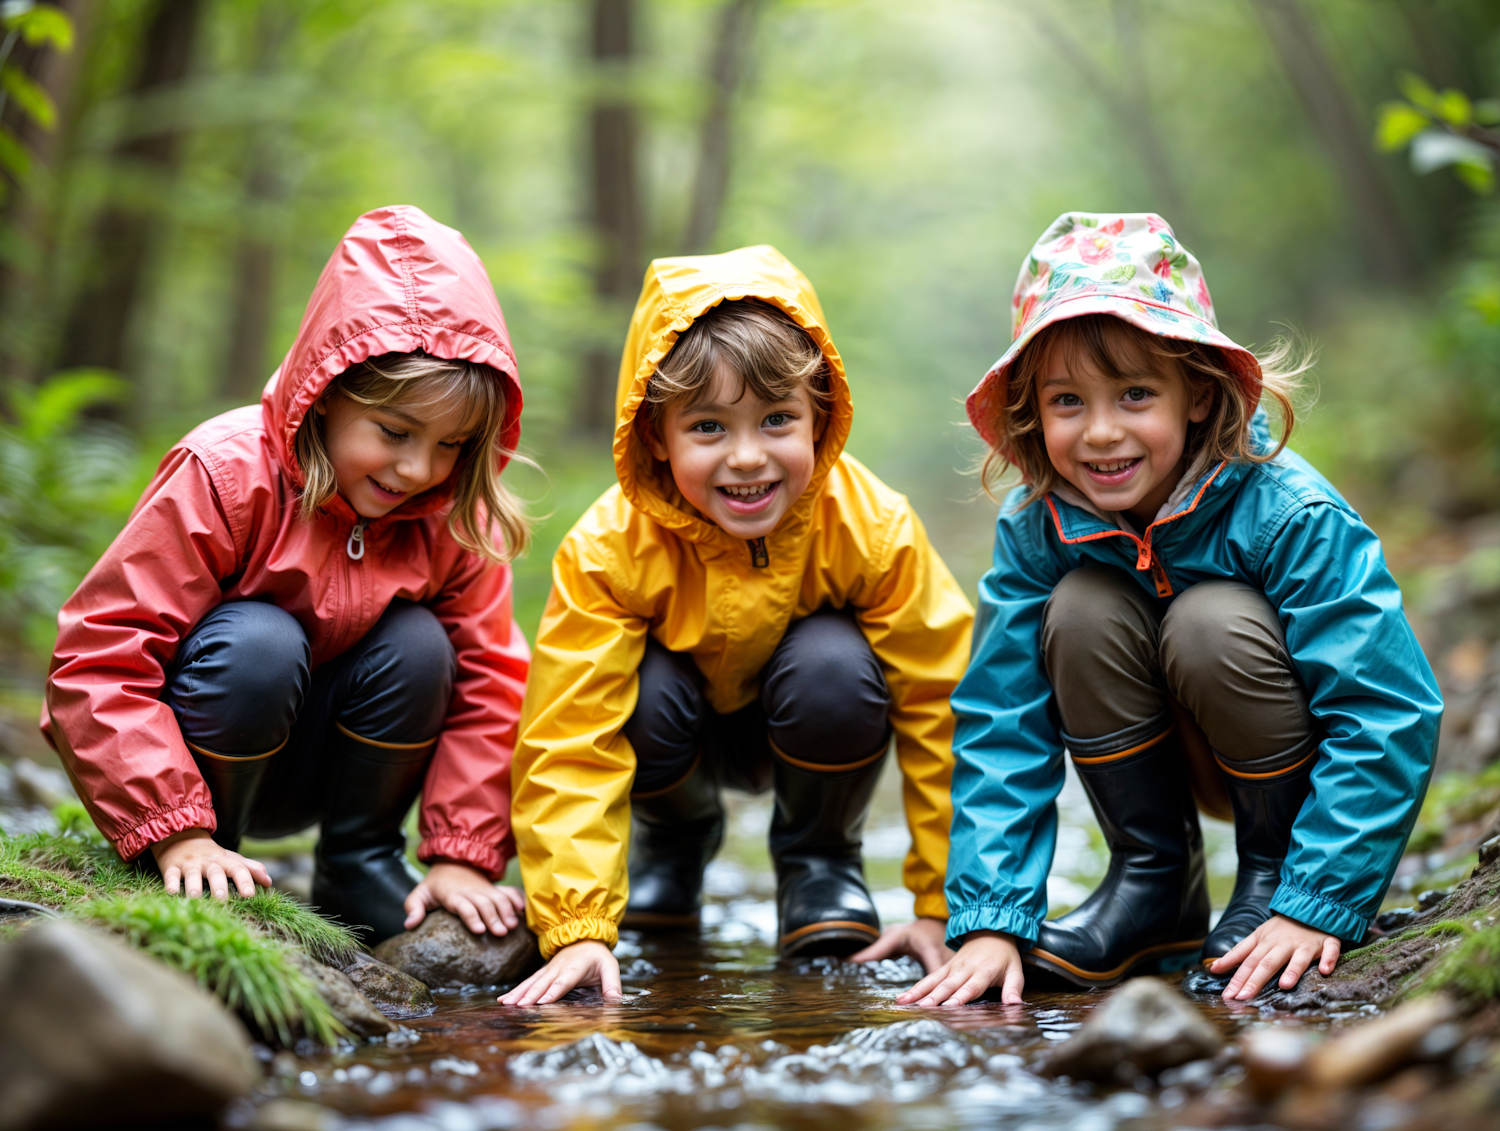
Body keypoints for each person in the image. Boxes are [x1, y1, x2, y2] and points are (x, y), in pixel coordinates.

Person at [902, 212, 1443, 1007]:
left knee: (1209, 617)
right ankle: (1154, 882)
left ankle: (1271, 879)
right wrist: (989, 916)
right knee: (1080, 603)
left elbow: (1385, 706)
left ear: (1196, 392)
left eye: (1134, 394)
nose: (1101, 432)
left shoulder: (1289, 512)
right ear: (1032, 412)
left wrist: (1319, 899)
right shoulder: (1038, 526)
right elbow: (1001, 722)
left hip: (1282, 755)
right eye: (1067, 401)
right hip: (1149, 751)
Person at [43, 206, 534, 945]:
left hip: (332, 768)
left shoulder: (451, 519)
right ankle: (209, 855)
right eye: (395, 433)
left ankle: (359, 858)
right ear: (330, 390)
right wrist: (172, 826)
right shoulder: (228, 471)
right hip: (206, 756)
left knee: (424, 643)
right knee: (260, 639)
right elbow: (101, 654)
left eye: (452, 445)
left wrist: (464, 851)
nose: (419, 469)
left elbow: (491, 684)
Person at [500, 245, 974, 1005]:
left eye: (778, 419)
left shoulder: (871, 527)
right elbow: (568, 737)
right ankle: (676, 844)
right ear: (656, 435)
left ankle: (820, 859)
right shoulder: (608, 548)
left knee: (833, 661)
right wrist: (578, 922)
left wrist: (949, 908)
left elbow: (943, 706)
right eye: (709, 427)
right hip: (676, 738)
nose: (748, 458)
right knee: (639, 689)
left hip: (813, 726)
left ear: (822, 415)